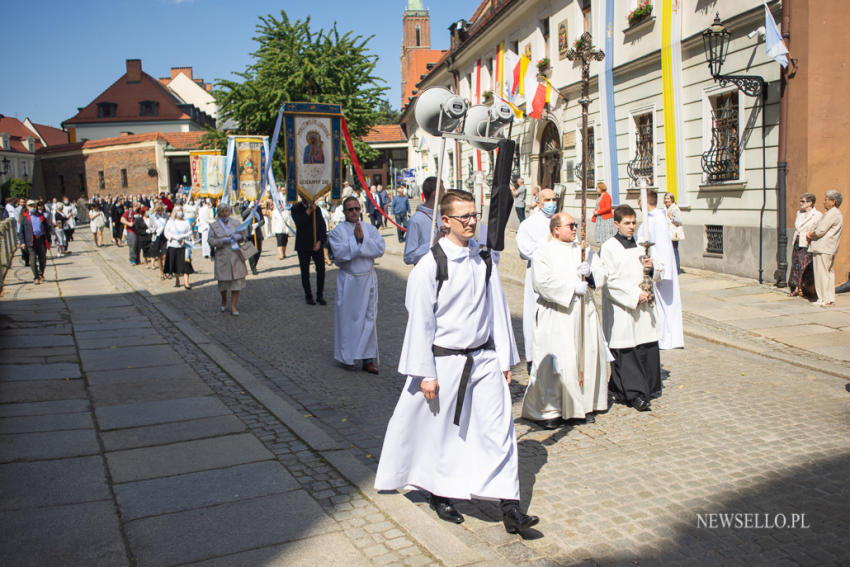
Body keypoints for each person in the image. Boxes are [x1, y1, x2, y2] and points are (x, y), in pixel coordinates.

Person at [374, 189, 539, 534]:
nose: (471, 221)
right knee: (442, 434)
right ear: (445, 221)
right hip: (445, 363)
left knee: (500, 431)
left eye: (474, 214)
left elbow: (496, 311)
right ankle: (438, 493)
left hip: (483, 360)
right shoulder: (431, 264)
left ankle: (510, 506)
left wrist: (505, 358)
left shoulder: (483, 259)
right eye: (463, 216)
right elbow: (420, 320)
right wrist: (425, 373)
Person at [521, 212, 609, 429]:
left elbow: (602, 274)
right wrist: (571, 288)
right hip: (557, 314)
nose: (574, 229)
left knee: (584, 357)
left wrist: (589, 276)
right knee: (558, 362)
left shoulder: (584, 251)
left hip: (583, 313)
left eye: (576, 225)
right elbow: (541, 282)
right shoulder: (543, 252)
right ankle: (551, 409)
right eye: (570, 225)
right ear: (555, 229)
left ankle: (585, 405)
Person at [595, 204, 662, 412]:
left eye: (634, 222)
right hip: (622, 308)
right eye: (627, 223)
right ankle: (634, 393)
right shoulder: (609, 248)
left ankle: (644, 387)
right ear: (617, 224)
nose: (631, 227)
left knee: (645, 344)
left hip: (643, 309)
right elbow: (609, 281)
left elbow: (658, 269)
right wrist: (635, 295)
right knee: (626, 349)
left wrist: (651, 270)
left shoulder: (643, 246)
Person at [328, 196, 386, 374]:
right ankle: (348, 356)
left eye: (356, 209)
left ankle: (367, 359)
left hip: (367, 279)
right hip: (349, 281)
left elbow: (379, 248)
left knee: (369, 319)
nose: (354, 212)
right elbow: (339, 254)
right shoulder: (338, 231)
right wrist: (356, 242)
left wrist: (363, 241)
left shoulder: (369, 228)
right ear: (344, 212)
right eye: (350, 209)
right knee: (348, 321)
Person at [516, 188, 559, 371]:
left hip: (559, 274)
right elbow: (524, 250)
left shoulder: (562, 220)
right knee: (536, 315)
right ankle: (535, 358)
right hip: (538, 274)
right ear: (539, 202)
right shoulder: (529, 224)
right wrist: (547, 244)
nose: (551, 203)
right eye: (547, 199)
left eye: (554, 199)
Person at [643, 190, 684, 350]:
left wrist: (658, 269)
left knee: (664, 304)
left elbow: (662, 247)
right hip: (655, 266)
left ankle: (667, 337)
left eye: (640, 200)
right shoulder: (652, 218)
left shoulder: (658, 219)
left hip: (660, 268)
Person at [207, 204, 248, 315]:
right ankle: (224, 299)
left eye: (226, 211)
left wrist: (240, 237)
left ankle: (233, 306)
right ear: (219, 213)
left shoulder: (236, 223)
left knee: (237, 282)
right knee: (223, 284)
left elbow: (244, 234)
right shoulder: (214, 226)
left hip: (236, 256)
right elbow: (210, 240)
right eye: (222, 212)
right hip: (222, 257)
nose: (225, 213)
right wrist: (222, 241)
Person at [807, 190, 844, 307]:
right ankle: (829, 298)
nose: (824, 202)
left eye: (826, 199)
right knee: (828, 273)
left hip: (823, 247)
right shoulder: (836, 213)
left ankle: (822, 298)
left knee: (821, 273)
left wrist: (810, 235)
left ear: (833, 202)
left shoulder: (832, 213)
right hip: (829, 248)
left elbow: (820, 231)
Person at [291, 197, 327, 305]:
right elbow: (299, 223)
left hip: (317, 244)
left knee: (321, 269)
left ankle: (320, 295)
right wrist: (308, 211)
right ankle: (308, 295)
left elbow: (322, 226)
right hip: (303, 245)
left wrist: (320, 241)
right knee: (305, 271)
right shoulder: (296, 208)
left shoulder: (318, 209)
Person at [403, 176, 446, 265]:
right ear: (435, 194)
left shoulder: (442, 215)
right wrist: (434, 241)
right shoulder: (416, 220)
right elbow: (408, 257)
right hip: (426, 272)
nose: (445, 194)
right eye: (443, 192)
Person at [788, 193, 821, 298]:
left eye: (803, 201)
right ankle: (797, 288)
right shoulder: (799, 213)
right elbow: (798, 227)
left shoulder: (817, 215)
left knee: (805, 267)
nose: (800, 203)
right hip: (798, 242)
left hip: (807, 242)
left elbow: (818, 230)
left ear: (810, 203)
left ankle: (806, 289)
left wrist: (810, 236)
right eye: (800, 201)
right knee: (796, 266)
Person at [17, 200, 51, 284]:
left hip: (41, 239)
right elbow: (21, 231)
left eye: (33, 206)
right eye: (30, 206)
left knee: (42, 258)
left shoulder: (40, 216)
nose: (32, 207)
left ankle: (41, 273)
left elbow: (46, 229)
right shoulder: (25, 217)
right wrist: (22, 242)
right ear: (27, 207)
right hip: (31, 240)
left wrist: (49, 239)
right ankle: (35, 276)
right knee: (32, 259)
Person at [163, 206, 195, 289]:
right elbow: (166, 232)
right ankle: (177, 279)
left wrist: (183, 236)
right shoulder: (170, 222)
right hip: (173, 245)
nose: (180, 212)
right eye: (178, 211)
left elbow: (190, 232)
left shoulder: (186, 222)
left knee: (185, 264)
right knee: (175, 264)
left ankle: (186, 282)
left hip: (184, 245)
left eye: (181, 210)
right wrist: (173, 237)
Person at [663, 193, 685, 274]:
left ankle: (677, 270)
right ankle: (671, 269)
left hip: (673, 233)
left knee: (674, 251)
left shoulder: (675, 209)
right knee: (669, 252)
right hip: (667, 233)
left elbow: (679, 221)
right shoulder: (665, 208)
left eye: (668, 198)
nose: (666, 200)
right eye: (665, 198)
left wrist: (671, 217)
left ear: (672, 199)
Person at [242, 204, 265, 275]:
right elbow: (243, 216)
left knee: (258, 250)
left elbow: (263, 220)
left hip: (257, 232)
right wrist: (249, 208)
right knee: (250, 252)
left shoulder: (258, 208)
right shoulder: (244, 206)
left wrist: (258, 224)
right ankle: (253, 267)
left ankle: (254, 264)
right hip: (248, 232)